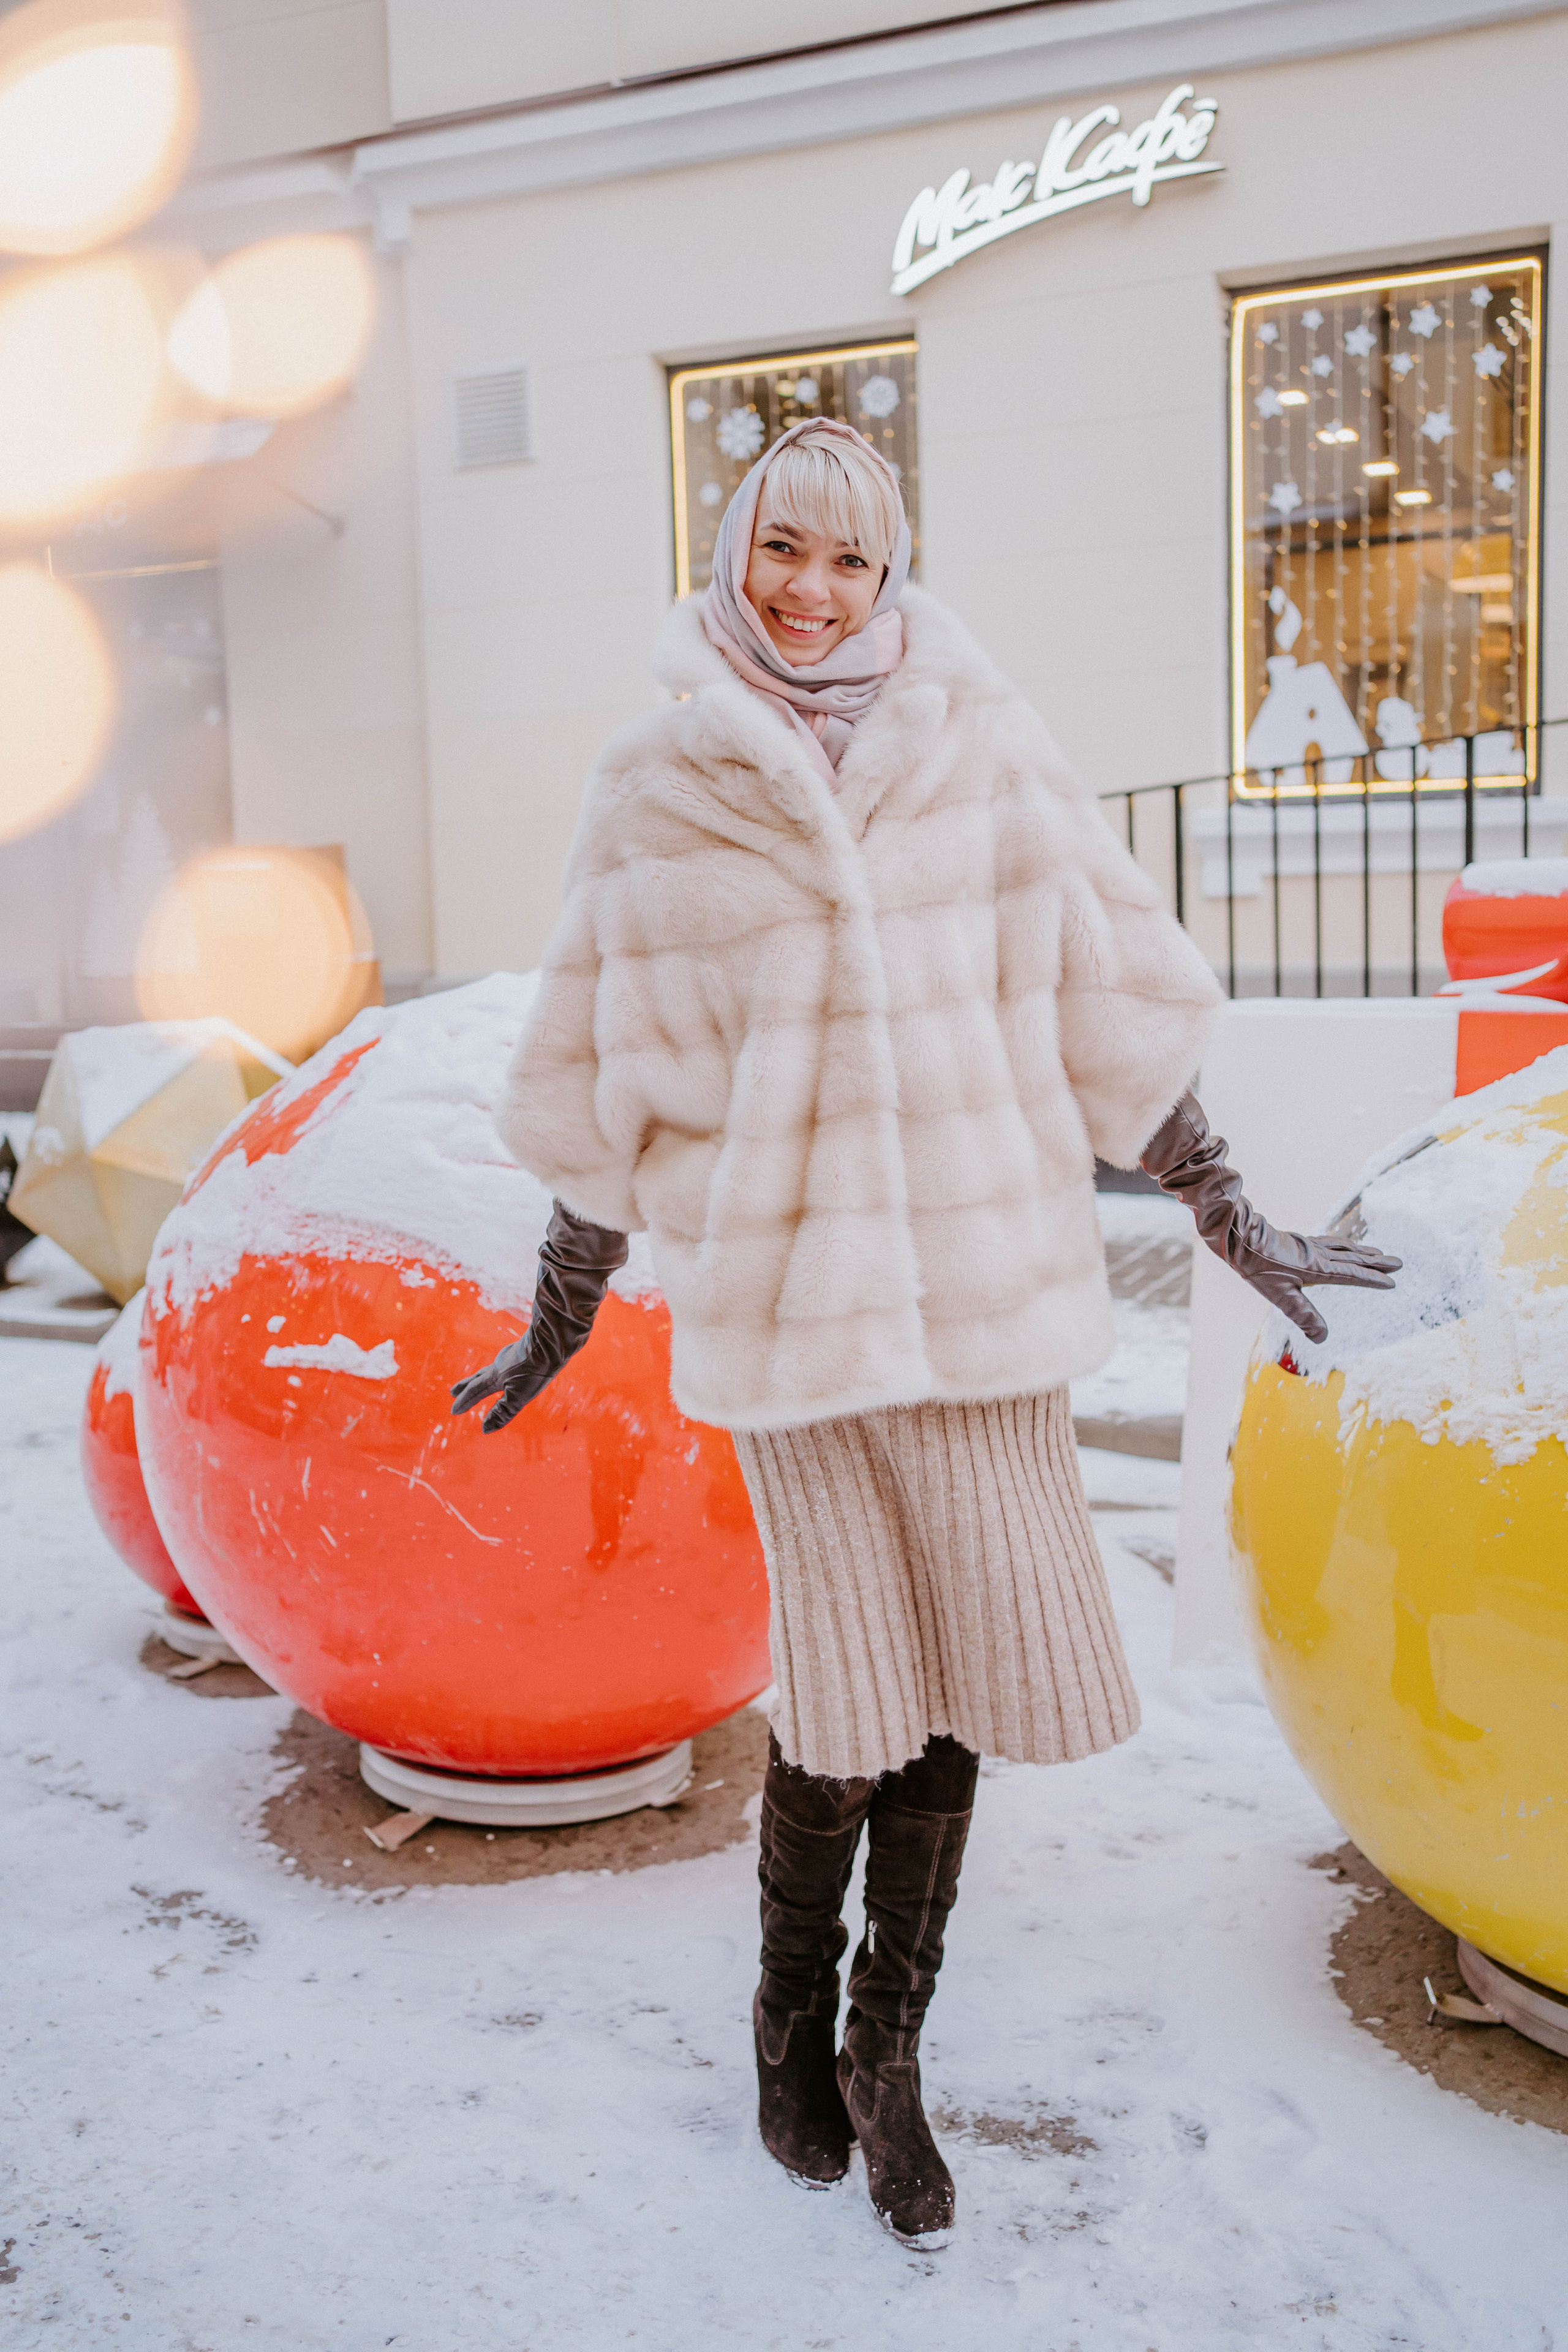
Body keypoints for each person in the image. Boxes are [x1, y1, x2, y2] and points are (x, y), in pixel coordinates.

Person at [451, 418, 1396, 2248]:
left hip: (976, 1310)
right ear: (734, 557)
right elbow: (606, 1073)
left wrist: (1225, 1205)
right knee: (850, 1690)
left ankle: (887, 2048)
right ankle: (784, 2014)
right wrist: (562, 1302)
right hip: (788, 1314)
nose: (816, 591)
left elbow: (1102, 992)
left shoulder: (981, 744)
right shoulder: (656, 785)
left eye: (855, 561)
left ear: (895, 578)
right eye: (784, 552)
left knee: (961, 1674)